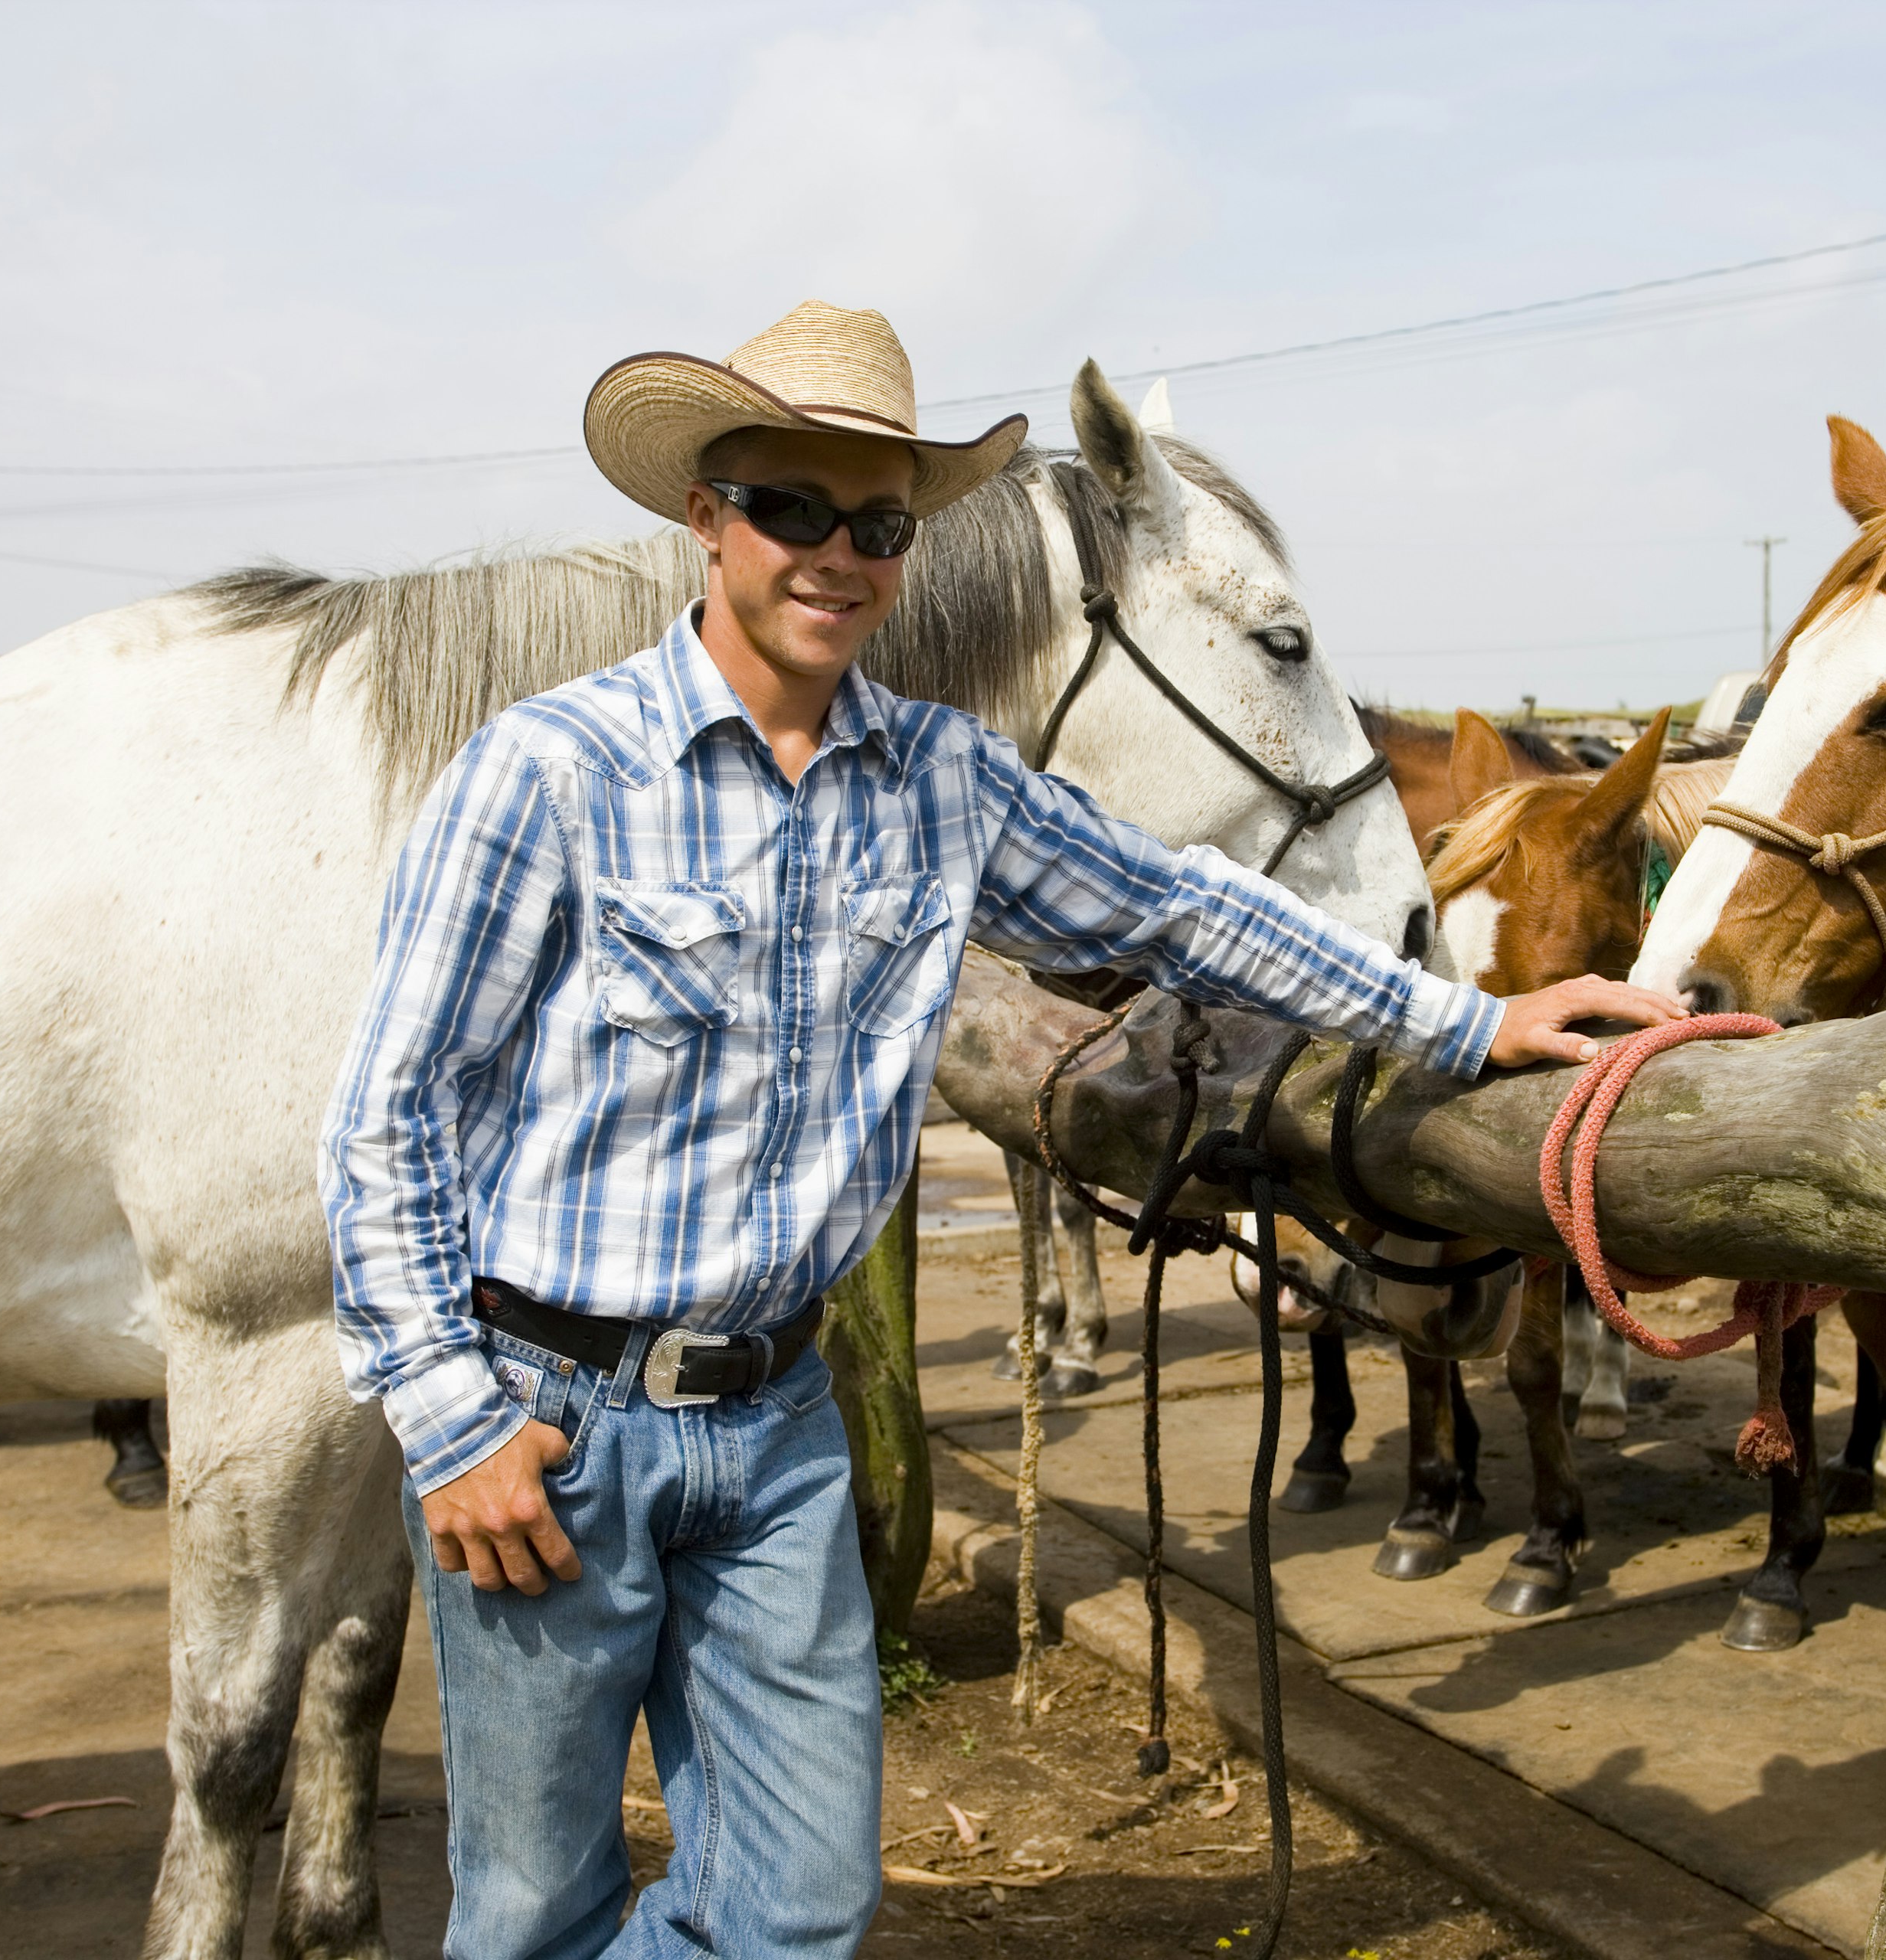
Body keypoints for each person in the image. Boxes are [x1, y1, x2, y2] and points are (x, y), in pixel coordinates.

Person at [319, 299, 1682, 1960]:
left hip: (776, 1428)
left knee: (807, 1899)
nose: (838, 554)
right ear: (707, 518)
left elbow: (1186, 907)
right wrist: (445, 1412)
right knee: (532, 1902)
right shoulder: (548, 772)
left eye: (879, 523)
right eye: (792, 508)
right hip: (551, 1419)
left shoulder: (943, 779)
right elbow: (390, 1117)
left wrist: (1465, 1019)